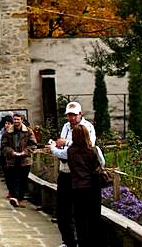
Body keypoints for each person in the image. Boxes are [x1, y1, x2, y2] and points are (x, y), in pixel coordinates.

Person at [49, 101, 96, 247]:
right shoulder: (65, 127)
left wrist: (63, 144)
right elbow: (62, 146)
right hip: (65, 171)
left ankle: (81, 241)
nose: (72, 118)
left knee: (80, 212)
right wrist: (60, 145)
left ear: (80, 114)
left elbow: (87, 147)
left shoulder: (87, 127)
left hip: (79, 175)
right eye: (69, 115)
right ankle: (68, 241)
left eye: (74, 115)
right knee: (63, 210)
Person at [67, 124, 102, 247]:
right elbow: (97, 167)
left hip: (77, 187)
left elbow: (71, 167)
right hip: (92, 188)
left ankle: (82, 243)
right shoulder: (92, 151)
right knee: (94, 218)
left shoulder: (70, 151)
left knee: (80, 219)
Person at [1, 113, 37, 208]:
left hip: (24, 160)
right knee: (12, 179)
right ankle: (14, 197)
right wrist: (11, 152)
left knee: (22, 180)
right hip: (12, 159)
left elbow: (33, 144)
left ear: (22, 120)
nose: (16, 121)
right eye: (15, 119)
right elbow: (4, 146)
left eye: (18, 119)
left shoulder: (28, 131)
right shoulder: (8, 132)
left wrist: (25, 152)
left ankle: (19, 198)